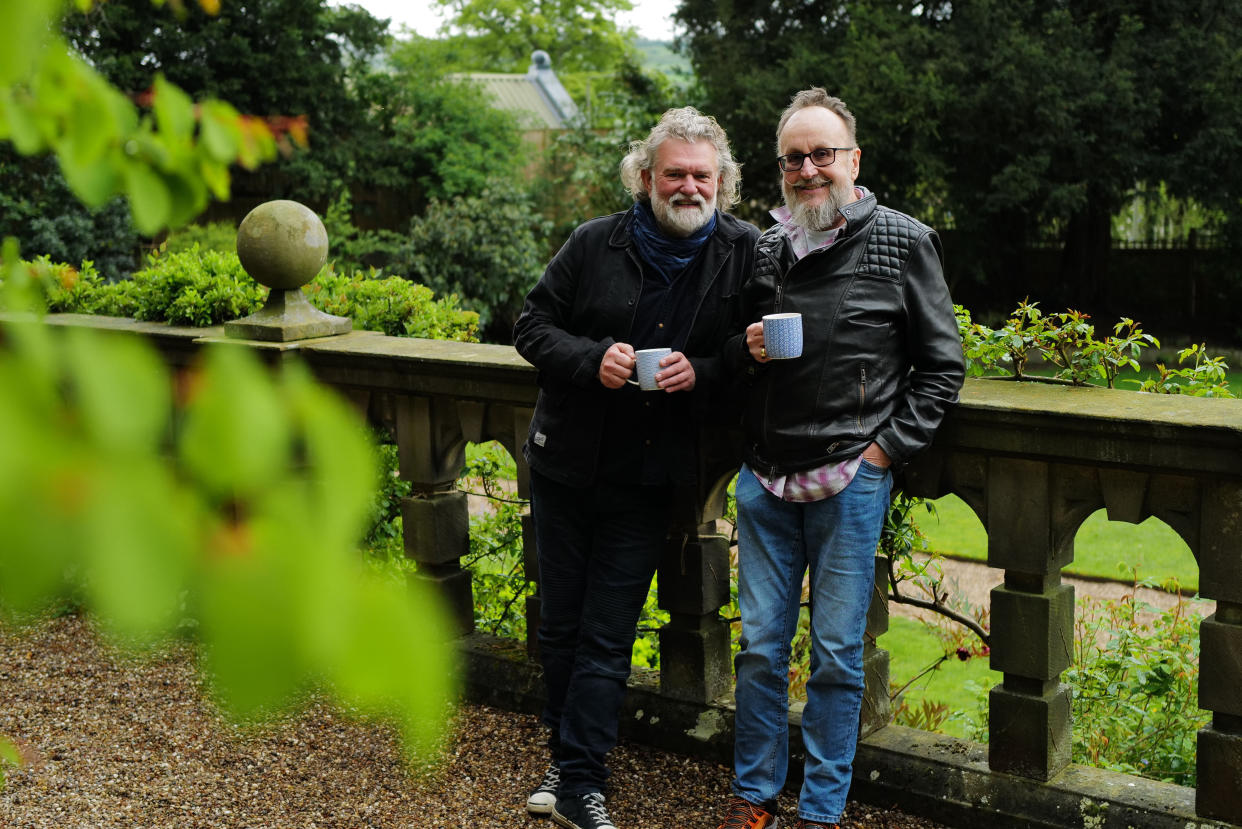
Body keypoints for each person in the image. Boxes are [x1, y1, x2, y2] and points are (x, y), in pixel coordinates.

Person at [716, 88, 965, 829]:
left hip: (849, 479)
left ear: (853, 160)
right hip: (764, 477)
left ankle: (822, 808)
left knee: (833, 655)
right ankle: (756, 791)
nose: (808, 169)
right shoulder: (765, 246)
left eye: (823, 154)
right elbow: (732, 355)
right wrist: (744, 349)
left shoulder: (903, 240)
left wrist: (884, 453)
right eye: (794, 158)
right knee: (759, 649)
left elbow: (942, 366)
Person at [513, 106, 758, 829]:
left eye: (702, 175)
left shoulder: (744, 252)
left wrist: (704, 369)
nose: (689, 186)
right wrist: (595, 358)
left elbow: (754, 350)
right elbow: (530, 326)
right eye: (675, 173)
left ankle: (580, 780)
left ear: (722, 183)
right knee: (558, 627)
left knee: (607, 633)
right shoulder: (595, 242)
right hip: (566, 465)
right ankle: (568, 761)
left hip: (649, 478)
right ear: (646, 177)